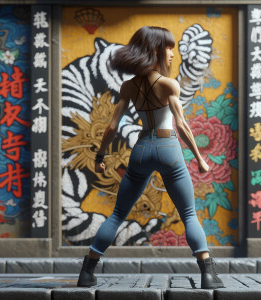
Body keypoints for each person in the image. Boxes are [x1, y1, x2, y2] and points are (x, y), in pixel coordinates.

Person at [77, 26, 224, 290]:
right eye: (168, 48)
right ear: (155, 50)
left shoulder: (129, 86)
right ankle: (208, 274)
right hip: (168, 147)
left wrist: (100, 154)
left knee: (118, 213)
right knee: (189, 213)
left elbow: (112, 126)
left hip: (142, 148)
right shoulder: (168, 84)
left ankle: (87, 271)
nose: (171, 54)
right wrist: (200, 159)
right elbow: (182, 125)